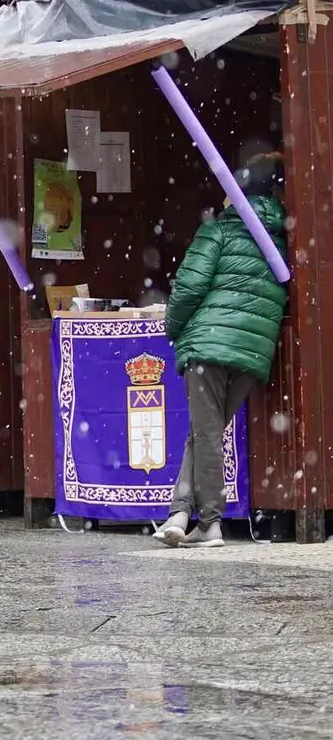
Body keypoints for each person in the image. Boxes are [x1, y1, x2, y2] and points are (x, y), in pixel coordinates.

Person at [152, 152, 288, 548]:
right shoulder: (279, 235)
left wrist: (173, 328)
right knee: (204, 433)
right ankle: (180, 515)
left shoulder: (221, 230)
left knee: (206, 434)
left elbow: (189, 288)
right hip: (253, 351)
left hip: (209, 345)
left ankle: (209, 523)